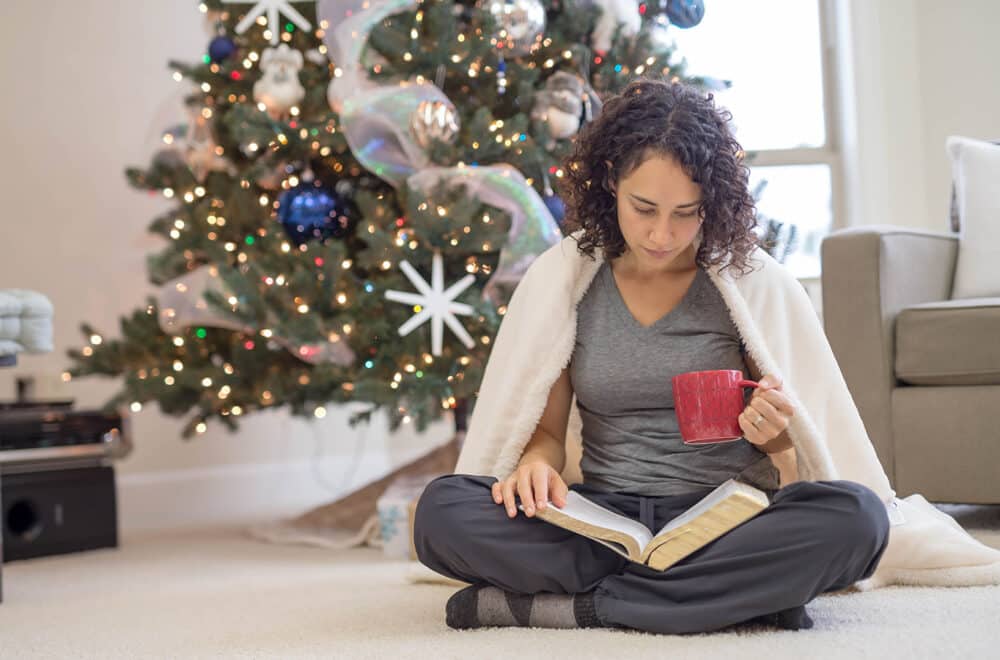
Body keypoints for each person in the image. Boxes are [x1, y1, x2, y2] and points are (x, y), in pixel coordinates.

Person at [413, 78, 890, 635]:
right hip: (599, 525)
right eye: (644, 208)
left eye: (687, 213)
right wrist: (536, 465)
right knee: (442, 511)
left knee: (858, 519)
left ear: (710, 203)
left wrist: (776, 436)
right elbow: (543, 432)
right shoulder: (569, 282)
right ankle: (735, 598)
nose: (663, 234)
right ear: (611, 180)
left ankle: (581, 609)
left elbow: (796, 451)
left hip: (726, 521)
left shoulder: (747, 284)